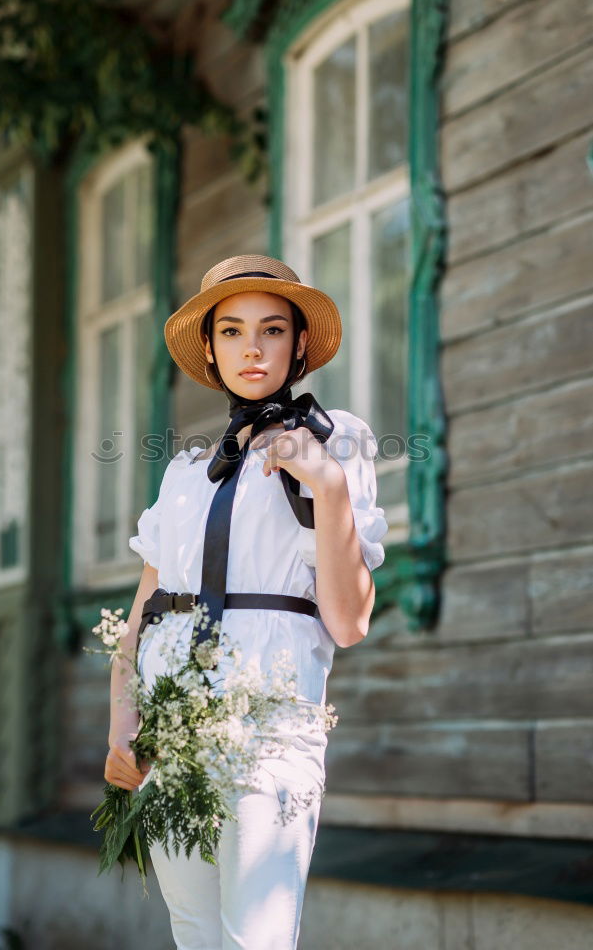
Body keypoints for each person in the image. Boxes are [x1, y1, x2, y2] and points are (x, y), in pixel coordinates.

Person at [104, 254, 388, 949]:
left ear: (298, 345)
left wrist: (325, 485)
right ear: (209, 348)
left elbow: (350, 623)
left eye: (271, 329)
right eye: (230, 331)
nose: (252, 347)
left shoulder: (334, 439)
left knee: (254, 940)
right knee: (194, 932)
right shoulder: (183, 472)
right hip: (171, 731)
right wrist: (121, 723)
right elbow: (142, 610)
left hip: (268, 729)